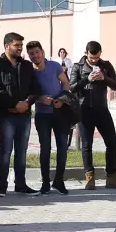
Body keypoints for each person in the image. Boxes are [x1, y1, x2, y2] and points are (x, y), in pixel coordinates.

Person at [0, 32, 39, 196]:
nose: (20, 49)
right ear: (7, 46)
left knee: (21, 151)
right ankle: (2, 186)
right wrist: (14, 104)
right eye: (17, 45)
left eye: (21, 46)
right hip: (6, 116)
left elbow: (35, 89)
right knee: (6, 150)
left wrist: (27, 103)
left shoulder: (26, 66)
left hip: (24, 116)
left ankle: (20, 184)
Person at [70, 41, 116, 190]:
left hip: (102, 109)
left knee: (112, 142)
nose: (94, 60)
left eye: (97, 57)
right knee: (87, 145)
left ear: (101, 53)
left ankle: (111, 177)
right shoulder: (78, 67)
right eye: (91, 57)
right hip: (84, 109)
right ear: (86, 53)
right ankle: (90, 178)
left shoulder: (106, 65)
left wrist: (104, 78)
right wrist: (87, 79)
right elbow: (72, 88)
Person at [27, 40, 73, 194]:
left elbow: (66, 83)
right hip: (42, 115)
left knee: (62, 148)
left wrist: (63, 99)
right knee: (45, 148)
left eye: (37, 52)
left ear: (42, 52)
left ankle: (59, 181)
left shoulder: (54, 66)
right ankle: (45, 183)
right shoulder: (29, 71)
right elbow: (28, 92)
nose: (35, 55)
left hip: (60, 112)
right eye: (32, 54)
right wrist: (39, 98)